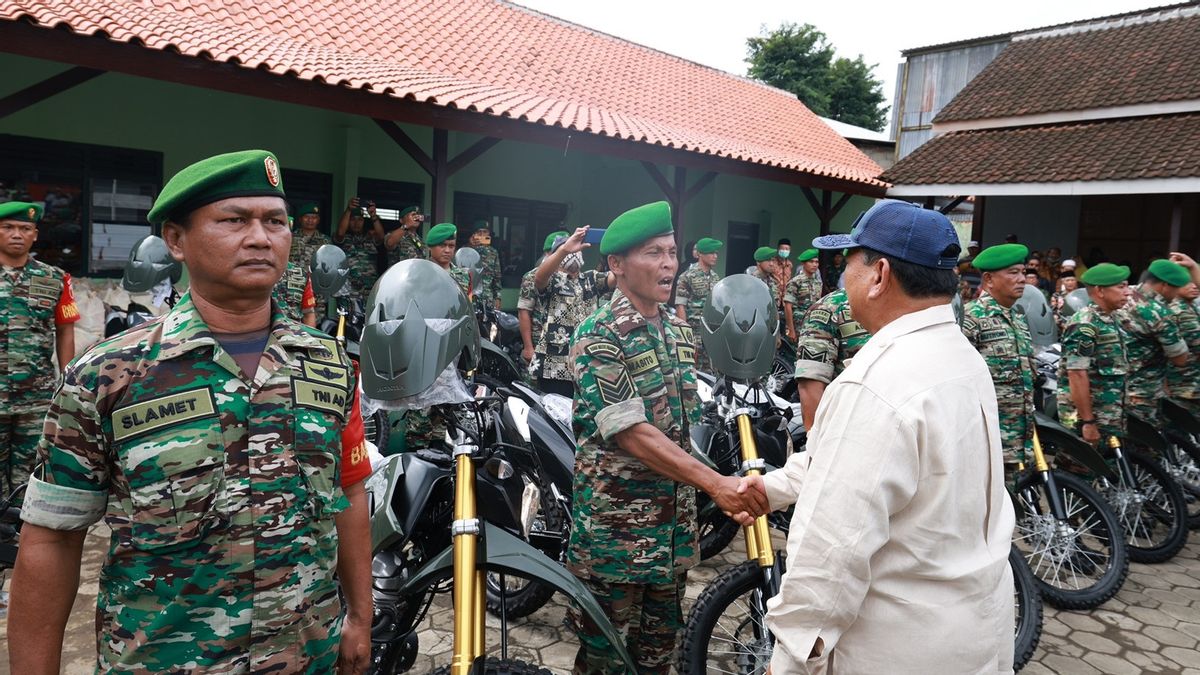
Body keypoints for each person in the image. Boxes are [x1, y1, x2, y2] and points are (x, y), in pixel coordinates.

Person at [8, 150, 372, 673]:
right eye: (234, 220)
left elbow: (351, 494)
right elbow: (51, 539)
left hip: (305, 654)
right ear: (176, 240)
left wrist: (359, 617)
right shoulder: (108, 376)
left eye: (275, 221)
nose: (260, 238)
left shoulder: (329, 364)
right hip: (166, 659)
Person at [739, 199, 1015, 674]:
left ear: (880, 274)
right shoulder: (963, 359)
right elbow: (853, 462)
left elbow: (832, 550)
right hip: (974, 632)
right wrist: (775, 487)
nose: (842, 279)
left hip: (894, 647)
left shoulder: (879, 381)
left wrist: (789, 658)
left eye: (848, 263)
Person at [567, 201, 765, 674]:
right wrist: (715, 484)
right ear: (616, 265)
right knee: (606, 665)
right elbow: (633, 434)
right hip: (617, 540)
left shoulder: (677, 329)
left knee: (658, 661)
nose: (669, 264)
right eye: (654, 253)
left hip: (671, 538)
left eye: (673, 252)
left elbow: (683, 427)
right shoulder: (598, 334)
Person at [0, 201, 79, 500]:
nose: (16, 234)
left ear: (35, 235)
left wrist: (68, 381)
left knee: (30, 471)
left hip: (36, 395)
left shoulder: (56, 279)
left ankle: (19, 532)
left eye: (25, 228)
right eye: (8, 227)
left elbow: (65, 330)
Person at [960, 244, 1037, 468]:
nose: (1022, 278)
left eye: (1023, 272)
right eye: (1013, 273)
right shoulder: (972, 318)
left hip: (1017, 437)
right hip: (985, 440)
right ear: (989, 279)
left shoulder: (1018, 318)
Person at [531, 228, 616, 397]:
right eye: (571, 250)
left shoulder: (590, 279)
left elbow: (617, 277)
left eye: (578, 250)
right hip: (553, 366)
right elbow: (540, 278)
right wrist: (564, 250)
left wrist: (619, 249)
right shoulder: (552, 280)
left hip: (585, 363)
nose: (575, 253)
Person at [1057, 263, 1133, 444]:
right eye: (1121, 286)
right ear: (1100, 291)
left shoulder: (1114, 318)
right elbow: (1077, 374)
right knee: (1081, 469)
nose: (1128, 292)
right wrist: (1088, 421)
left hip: (1109, 414)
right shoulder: (1085, 324)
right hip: (1089, 418)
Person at [1114, 258, 1191, 425]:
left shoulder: (1121, 296)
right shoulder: (1158, 313)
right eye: (1176, 288)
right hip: (1141, 395)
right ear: (1164, 285)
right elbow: (1180, 359)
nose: (1177, 294)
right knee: (1145, 447)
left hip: (1109, 390)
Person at [793, 287, 871, 431]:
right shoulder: (830, 307)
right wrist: (817, 442)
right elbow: (810, 386)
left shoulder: (914, 304)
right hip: (852, 429)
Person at [518, 231, 566, 370]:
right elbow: (524, 312)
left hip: (562, 342)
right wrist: (528, 347)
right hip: (539, 341)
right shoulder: (533, 276)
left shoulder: (571, 277)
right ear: (548, 253)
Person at [674, 237, 722, 371]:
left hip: (711, 331)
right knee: (693, 370)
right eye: (711, 253)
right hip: (694, 330)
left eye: (716, 253)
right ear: (701, 254)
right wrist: (685, 336)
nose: (715, 256)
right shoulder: (687, 276)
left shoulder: (715, 277)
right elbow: (680, 305)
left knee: (711, 371)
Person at [334, 197, 384, 301]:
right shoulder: (344, 239)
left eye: (360, 220)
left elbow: (381, 237)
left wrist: (373, 215)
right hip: (349, 290)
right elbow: (340, 233)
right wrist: (348, 210)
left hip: (370, 289)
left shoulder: (370, 237)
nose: (356, 223)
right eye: (353, 220)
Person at [782, 247, 822, 343]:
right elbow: (788, 307)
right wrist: (791, 330)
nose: (814, 265)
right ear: (803, 264)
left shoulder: (818, 283)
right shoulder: (796, 282)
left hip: (812, 325)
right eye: (811, 262)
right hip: (798, 326)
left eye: (816, 262)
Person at [425, 222, 470, 295]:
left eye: (451, 246)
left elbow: (468, 303)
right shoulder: (421, 273)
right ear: (430, 247)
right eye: (442, 246)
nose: (447, 250)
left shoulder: (463, 275)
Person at [288, 201, 330, 269]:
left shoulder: (326, 241)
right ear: (300, 219)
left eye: (314, 217)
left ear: (318, 220)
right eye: (306, 217)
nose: (310, 220)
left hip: (316, 278)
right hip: (293, 277)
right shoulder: (290, 237)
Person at [748, 246, 782, 311]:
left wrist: (777, 320)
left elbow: (775, 306)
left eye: (773, 260)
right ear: (758, 262)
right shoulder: (751, 281)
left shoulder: (773, 281)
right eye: (768, 260)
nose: (772, 264)